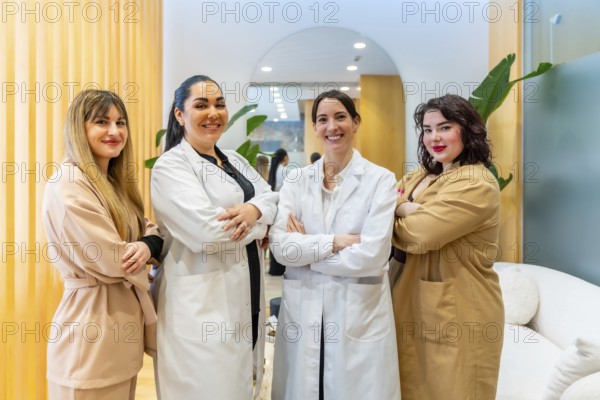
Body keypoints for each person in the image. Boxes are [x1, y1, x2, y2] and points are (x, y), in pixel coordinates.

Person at [150, 75, 278, 399]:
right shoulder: (171, 167)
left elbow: (274, 199)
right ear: (180, 115)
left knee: (239, 385)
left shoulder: (234, 160)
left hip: (244, 295)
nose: (214, 113)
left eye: (219, 104)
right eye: (201, 105)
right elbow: (207, 233)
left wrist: (253, 213)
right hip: (201, 308)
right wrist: (260, 220)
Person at [269, 90, 401, 400]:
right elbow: (281, 249)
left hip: (357, 311)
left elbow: (372, 255)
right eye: (323, 119)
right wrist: (336, 242)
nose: (332, 126)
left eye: (341, 117)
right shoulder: (296, 181)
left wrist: (308, 252)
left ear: (356, 122)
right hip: (305, 310)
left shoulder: (380, 180)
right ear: (315, 127)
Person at [42, 89, 162, 399]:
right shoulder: (69, 184)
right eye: (101, 122)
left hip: (120, 332)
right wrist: (148, 247)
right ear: (79, 129)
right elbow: (115, 258)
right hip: (88, 333)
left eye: (120, 122)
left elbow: (148, 230)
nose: (114, 131)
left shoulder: (111, 183)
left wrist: (148, 245)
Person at [391, 94, 504, 399]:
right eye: (427, 130)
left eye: (445, 127)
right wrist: (403, 209)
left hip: (459, 310)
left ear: (467, 130)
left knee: (454, 389)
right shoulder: (421, 175)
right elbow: (380, 204)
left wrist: (397, 211)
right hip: (412, 304)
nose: (434, 137)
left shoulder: (475, 182)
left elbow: (420, 234)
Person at [267, 148, 289, 275]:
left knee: (274, 235)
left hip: (273, 205)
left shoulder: (273, 170)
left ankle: (274, 268)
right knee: (282, 236)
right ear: (285, 157)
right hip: (282, 205)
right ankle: (281, 268)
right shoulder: (285, 170)